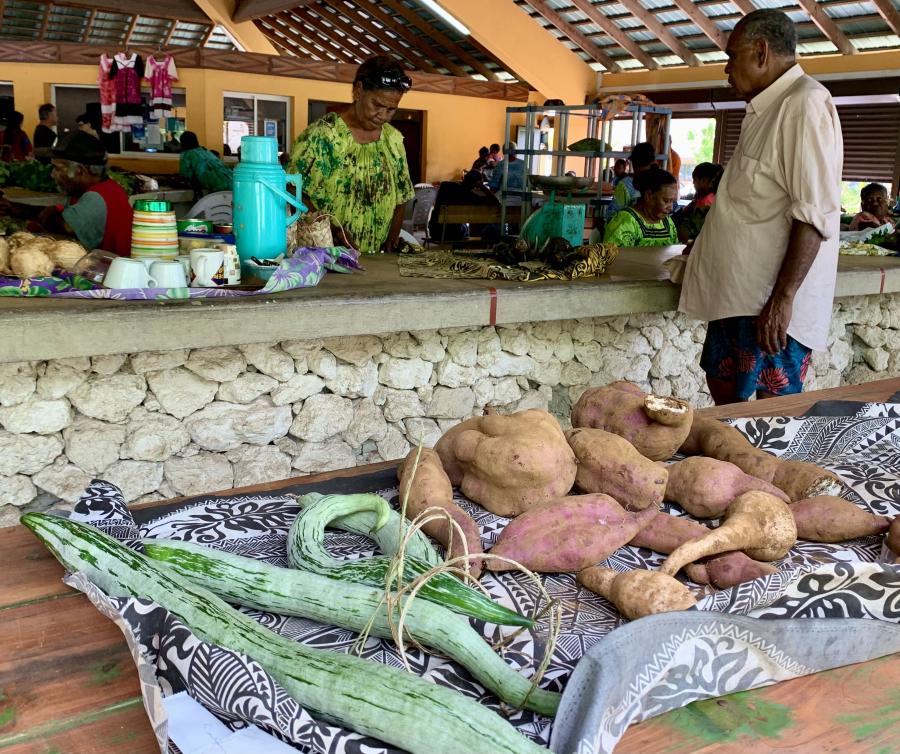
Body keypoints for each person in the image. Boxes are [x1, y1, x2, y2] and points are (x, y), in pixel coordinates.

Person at [679, 9, 843, 405]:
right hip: (738, 298)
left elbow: (814, 213)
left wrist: (782, 299)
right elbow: (756, 205)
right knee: (729, 420)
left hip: (766, 307)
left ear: (761, 51)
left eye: (732, 56)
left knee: (770, 424)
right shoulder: (765, 108)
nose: (726, 69)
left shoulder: (804, 104)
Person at [288, 55, 414, 253]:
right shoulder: (322, 137)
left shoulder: (393, 141)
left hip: (376, 260)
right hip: (325, 256)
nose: (383, 115)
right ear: (358, 91)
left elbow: (402, 197)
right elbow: (291, 192)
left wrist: (391, 240)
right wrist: (329, 229)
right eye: (377, 105)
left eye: (391, 109)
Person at [38, 131, 133, 255]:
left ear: (80, 171)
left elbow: (67, 227)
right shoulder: (98, 189)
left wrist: (45, 215)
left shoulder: (97, 197)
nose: (53, 174)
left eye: (57, 168)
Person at [603, 168, 678, 247]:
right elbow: (614, 256)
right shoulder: (625, 221)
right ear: (649, 196)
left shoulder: (667, 222)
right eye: (666, 201)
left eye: (672, 201)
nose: (671, 208)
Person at [675, 162, 724, 243]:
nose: (693, 183)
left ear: (704, 180)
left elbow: (687, 234)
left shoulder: (705, 202)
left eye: (695, 179)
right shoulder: (715, 197)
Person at [607, 142, 655, 215]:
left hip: (631, 225)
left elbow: (612, 214)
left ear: (633, 162)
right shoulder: (661, 182)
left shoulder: (626, 184)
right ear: (653, 161)